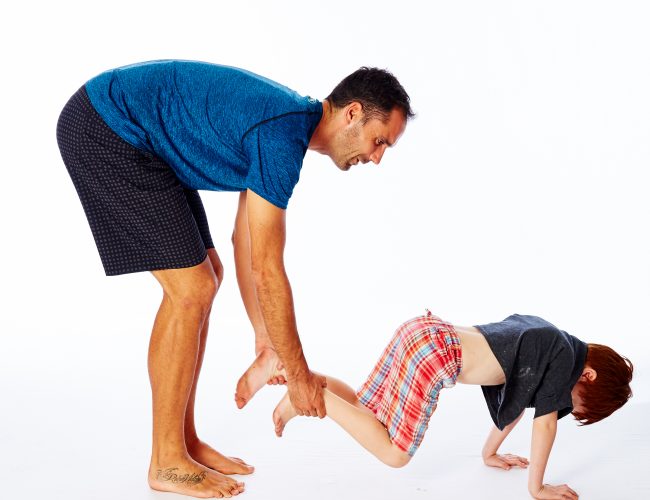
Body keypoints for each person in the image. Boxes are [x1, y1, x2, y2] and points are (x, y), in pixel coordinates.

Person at [56, 60, 414, 498]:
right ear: (352, 113)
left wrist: (265, 339)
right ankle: (166, 459)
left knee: (209, 274)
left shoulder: (286, 130)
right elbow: (268, 268)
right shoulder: (282, 137)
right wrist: (299, 375)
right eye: (380, 142)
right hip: (106, 127)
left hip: (141, 137)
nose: (376, 158)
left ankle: (183, 444)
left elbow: (244, 243)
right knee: (191, 288)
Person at [272, 310, 633, 499]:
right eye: (574, 403)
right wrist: (536, 488)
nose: (562, 406)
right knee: (395, 453)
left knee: (365, 409)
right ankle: (311, 397)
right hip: (435, 355)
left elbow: (516, 406)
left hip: (424, 330)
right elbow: (545, 424)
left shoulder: (549, 340)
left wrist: (489, 454)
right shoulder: (564, 356)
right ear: (587, 376)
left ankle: (303, 380)